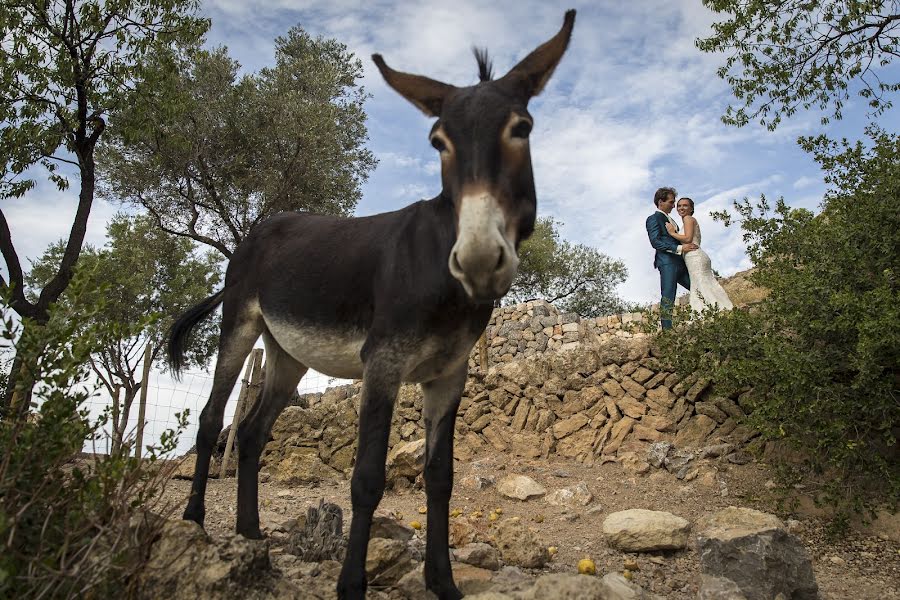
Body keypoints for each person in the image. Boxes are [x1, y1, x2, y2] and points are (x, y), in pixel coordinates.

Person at [665, 197, 734, 314]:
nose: (681, 208)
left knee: (701, 283)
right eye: (679, 206)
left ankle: (711, 311)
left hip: (695, 257)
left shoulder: (688, 219)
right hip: (695, 256)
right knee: (704, 282)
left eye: (685, 205)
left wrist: (672, 233)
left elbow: (687, 238)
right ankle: (716, 309)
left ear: (691, 208)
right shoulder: (688, 221)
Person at [646, 187, 697, 329]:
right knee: (668, 296)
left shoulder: (672, 220)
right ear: (660, 202)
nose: (674, 206)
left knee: (697, 287)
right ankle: (667, 332)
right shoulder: (653, 218)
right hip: (667, 263)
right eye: (671, 202)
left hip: (681, 263)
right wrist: (680, 248)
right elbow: (655, 242)